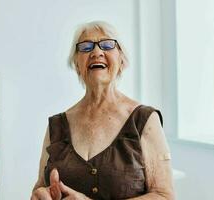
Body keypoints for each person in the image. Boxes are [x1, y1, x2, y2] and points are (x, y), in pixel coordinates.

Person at [31, 21, 175, 200]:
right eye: (86, 47)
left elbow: (164, 196)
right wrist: (40, 194)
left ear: (121, 60)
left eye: (107, 45)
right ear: (77, 64)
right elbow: (40, 186)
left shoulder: (144, 120)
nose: (96, 52)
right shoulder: (57, 125)